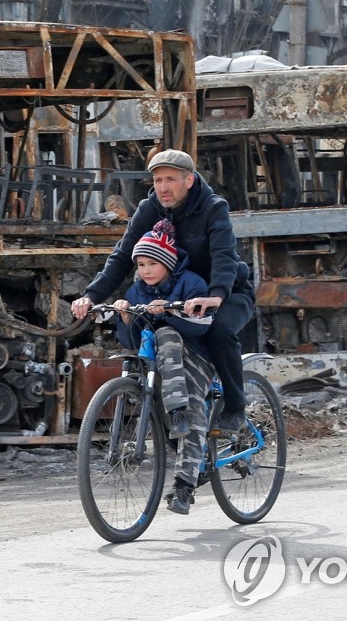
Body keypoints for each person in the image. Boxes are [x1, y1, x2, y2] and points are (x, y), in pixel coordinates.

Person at [71, 148, 256, 433]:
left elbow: (224, 255)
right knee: (150, 333)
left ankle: (235, 406)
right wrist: (91, 295)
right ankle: (171, 415)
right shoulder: (149, 209)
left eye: (170, 179)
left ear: (189, 180)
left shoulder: (212, 207)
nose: (163, 187)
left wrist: (217, 295)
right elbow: (122, 257)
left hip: (226, 290)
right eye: (157, 180)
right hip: (176, 295)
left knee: (219, 331)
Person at [112, 219, 213, 515]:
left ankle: (183, 487)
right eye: (140, 264)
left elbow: (203, 327)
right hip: (160, 366)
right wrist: (126, 317)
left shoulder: (192, 283)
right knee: (156, 338)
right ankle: (174, 412)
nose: (145, 270)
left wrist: (170, 310)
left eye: (152, 263)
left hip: (195, 355)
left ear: (168, 262)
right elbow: (132, 341)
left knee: (166, 334)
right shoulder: (136, 292)